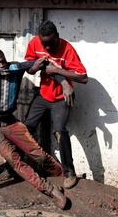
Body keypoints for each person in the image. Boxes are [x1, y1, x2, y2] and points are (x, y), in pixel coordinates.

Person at [0, 48, 73, 209]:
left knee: (39, 155)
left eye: (3, 60)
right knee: (15, 161)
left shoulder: (15, 68)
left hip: (11, 122)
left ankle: (62, 175)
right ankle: (51, 190)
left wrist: (64, 82)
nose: (2, 65)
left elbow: (44, 64)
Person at [24, 20, 88, 190]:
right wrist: (35, 66)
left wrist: (59, 72)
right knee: (26, 128)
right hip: (43, 94)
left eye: (51, 43)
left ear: (57, 37)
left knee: (59, 131)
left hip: (61, 98)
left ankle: (69, 172)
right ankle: (23, 165)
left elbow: (83, 77)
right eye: (45, 44)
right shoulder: (35, 43)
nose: (49, 48)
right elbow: (30, 68)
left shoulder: (67, 49)